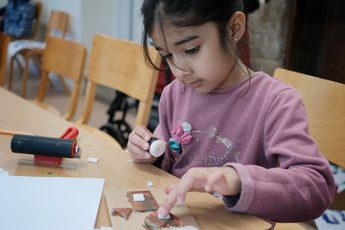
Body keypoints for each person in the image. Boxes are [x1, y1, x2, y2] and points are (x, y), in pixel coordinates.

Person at [127, 0, 335, 223]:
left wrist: (236, 179)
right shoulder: (174, 94)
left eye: (191, 50)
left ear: (234, 27)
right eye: (167, 55)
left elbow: (317, 188)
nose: (180, 70)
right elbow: (170, 159)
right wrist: (151, 152)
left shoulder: (276, 102)